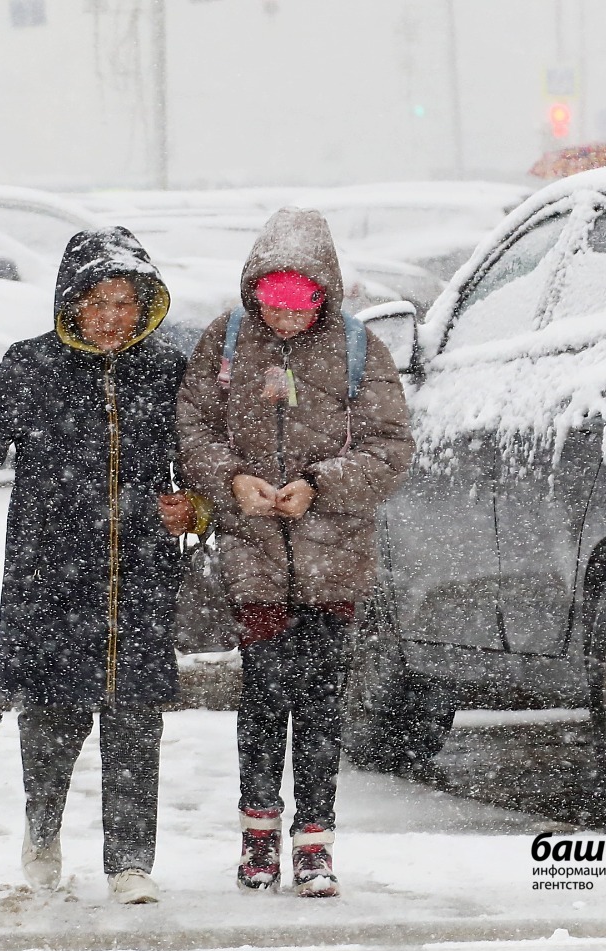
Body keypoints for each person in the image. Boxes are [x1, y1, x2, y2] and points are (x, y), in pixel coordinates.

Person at [0, 227, 201, 905]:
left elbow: (200, 458)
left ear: (145, 305)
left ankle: (130, 862)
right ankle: (43, 828)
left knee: (136, 719)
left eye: (125, 302)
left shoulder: (167, 370)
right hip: (50, 574)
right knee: (51, 720)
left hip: (140, 571)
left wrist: (194, 508)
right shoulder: (31, 365)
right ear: (70, 303)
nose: (112, 318)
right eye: (97, 302)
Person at [177, 207, 411, 897]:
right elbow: (193, 426)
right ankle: (257, 835)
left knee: (320, 702)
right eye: (271, 303)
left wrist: (320, 485)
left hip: (334, 557)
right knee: (262, 695)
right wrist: (232, 480)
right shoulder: (225, 342)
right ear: (252, 293)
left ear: (324, 295)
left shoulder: (360, 349)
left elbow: (390, 448)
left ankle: (314, 842)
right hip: (252, 554)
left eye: (299, 304)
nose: (283, 318)